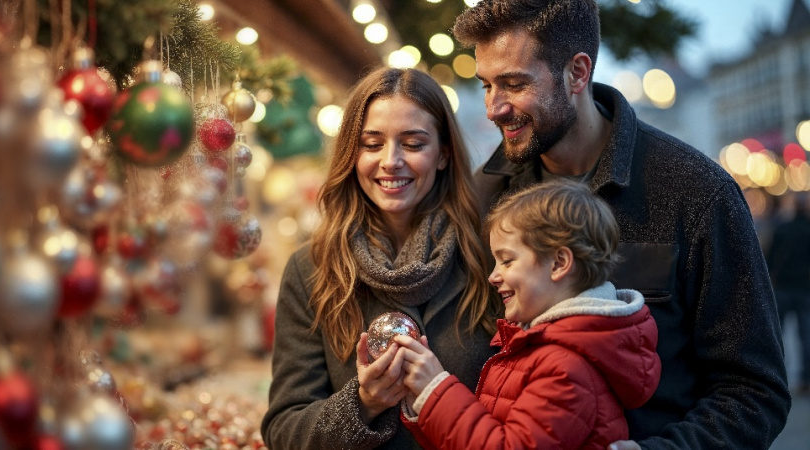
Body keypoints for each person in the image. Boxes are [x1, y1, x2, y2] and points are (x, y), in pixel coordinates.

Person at [451, 1, 791, 448]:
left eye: (514, 84)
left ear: (577, 72)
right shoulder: (483, 197)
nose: (494, 108)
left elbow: (754, 390)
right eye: (486, 86)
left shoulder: (696, 191)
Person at [260, 67, 502, 449]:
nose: (391, 161)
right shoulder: (312, 269)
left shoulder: (489, 257)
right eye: (372, 144)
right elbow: (283, 431)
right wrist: (362, 403)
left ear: (443, 155)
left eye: (413, 143)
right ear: (352, 155)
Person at [396, 180, 661, 449]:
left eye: (507, 260)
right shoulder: (538, 348)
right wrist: (421, 394)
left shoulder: (565, 368)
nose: (493, 276)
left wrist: (436, 391)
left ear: (559, 263)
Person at [766, 192, 810, 395]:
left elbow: (770, 259)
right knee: (806, 337)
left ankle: (774, 377)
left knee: (776, 335)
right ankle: (806, 379)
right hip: (805, 289)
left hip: (782, 287)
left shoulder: (781, 229)